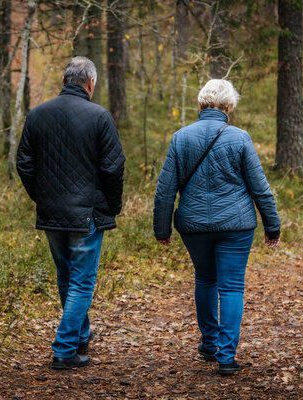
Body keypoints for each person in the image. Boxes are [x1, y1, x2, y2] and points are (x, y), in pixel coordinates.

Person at [153, 79, 281, 375]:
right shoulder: (239, 138)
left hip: (194, 226)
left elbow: (165, 190)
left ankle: (209, 345)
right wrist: (272, 226)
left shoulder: (181, 138)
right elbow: (260, 188)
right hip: (236, 226)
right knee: (232, 285)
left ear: (200, 105)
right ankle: (226, 357)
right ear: (228, 107)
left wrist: (162, 229)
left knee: (206, 279)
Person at [17, 56, 125, 370]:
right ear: (90, 83)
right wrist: (112, 206)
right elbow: (113, 167)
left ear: (65, 81)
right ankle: (64, 349)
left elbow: (24, 163)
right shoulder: (99, 116)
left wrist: (42, 197)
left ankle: (80, 338)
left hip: (52, 213)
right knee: (81, 282)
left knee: (67, 278)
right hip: (85, 215)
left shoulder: (37, 114)